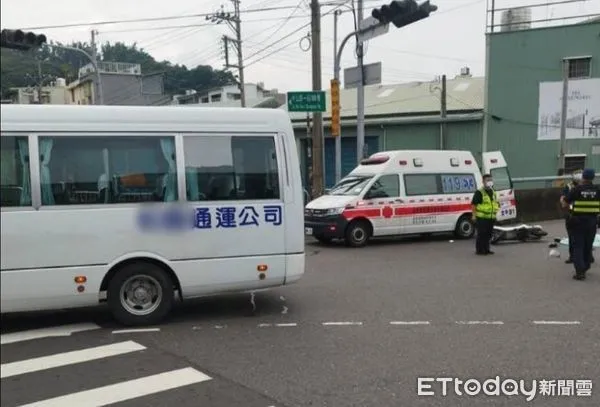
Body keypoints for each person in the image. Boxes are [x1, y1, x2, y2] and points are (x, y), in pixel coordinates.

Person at [562, 168, 600, 280]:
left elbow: (565, 203)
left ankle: (580, 271)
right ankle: (586, 266)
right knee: (588, 245)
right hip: (592, 222)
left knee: (578, 246)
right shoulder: (598, 190)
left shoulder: (576, 189)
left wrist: (562, 199)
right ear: (593, 177)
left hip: (578, 221)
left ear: (583, 177)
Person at [471, 174, 499, 255]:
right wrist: (473, 215)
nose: (489, 182)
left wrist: (495, 214)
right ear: (483, 182)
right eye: (487, 180)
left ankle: (487, 249)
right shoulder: (479, 192)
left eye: (491, 180)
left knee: (489, 234)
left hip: (491, 217)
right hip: (482, 217)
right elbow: (473, 204)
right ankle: (480, 250)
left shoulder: (493, 192)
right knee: (481, 234)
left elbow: (494, 203)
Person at [560, 170, 582, 263]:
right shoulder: (569, 187)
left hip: (574, 214)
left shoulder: (573, 187)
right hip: (575, 214)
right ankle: (575, 256)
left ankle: (576, 256)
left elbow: (563, 202)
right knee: (578, 237)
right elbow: (563, 200)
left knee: (575, 237)